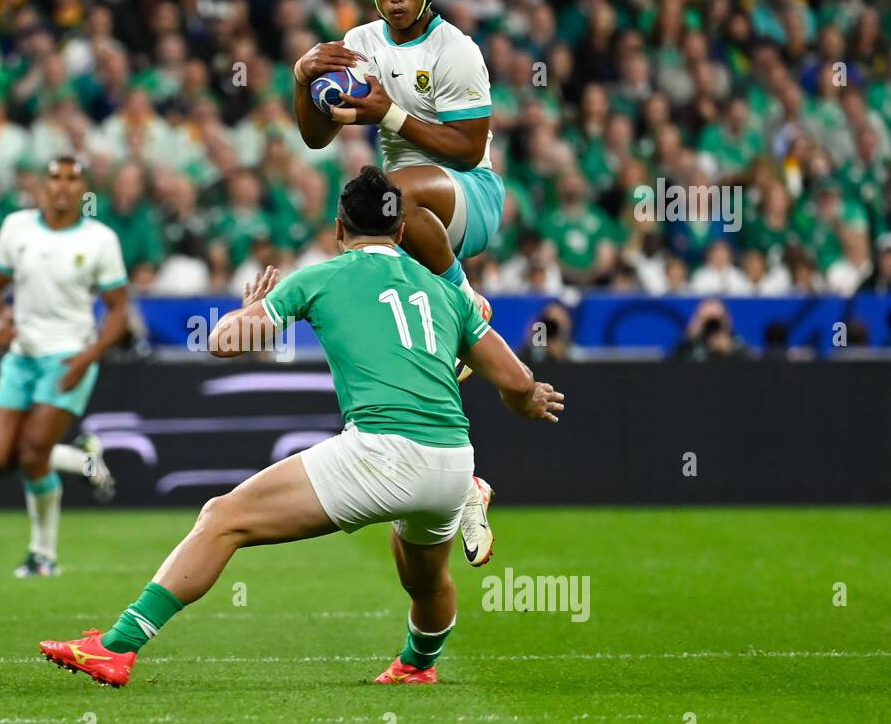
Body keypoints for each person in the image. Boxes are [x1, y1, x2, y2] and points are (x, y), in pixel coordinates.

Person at [40, 167, 563, 687]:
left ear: (338, 230)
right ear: (400, 232)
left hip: (382, 453)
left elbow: (224, 342)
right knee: (424, 579)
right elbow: (517, 380)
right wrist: (526, 404)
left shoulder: (322, 276)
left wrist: (247, 311)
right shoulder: (444, 292)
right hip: (451, 460)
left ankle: (116, 647)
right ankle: (417, 665)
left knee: (223, 517)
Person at [293, 0, 504, 381]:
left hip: (471, 195)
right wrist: (301, 80)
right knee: (356, 230)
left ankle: (468, 302)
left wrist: (389, 114)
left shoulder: (456, 50)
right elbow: (317, 137)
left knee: (391, 193)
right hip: (407, 211)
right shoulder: (360, 40)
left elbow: (468, 151)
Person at [0, 157, 130, 577]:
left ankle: (42, 554)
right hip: (21, 356)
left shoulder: (100, 239)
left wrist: (88, 356)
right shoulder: (16, 228)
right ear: (41, 186)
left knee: (31, 453)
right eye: (54, 178)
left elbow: (119, 311)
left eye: (71, 179)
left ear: (84, 189)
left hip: (68, 357)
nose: (62, 186)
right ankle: (82, 460)